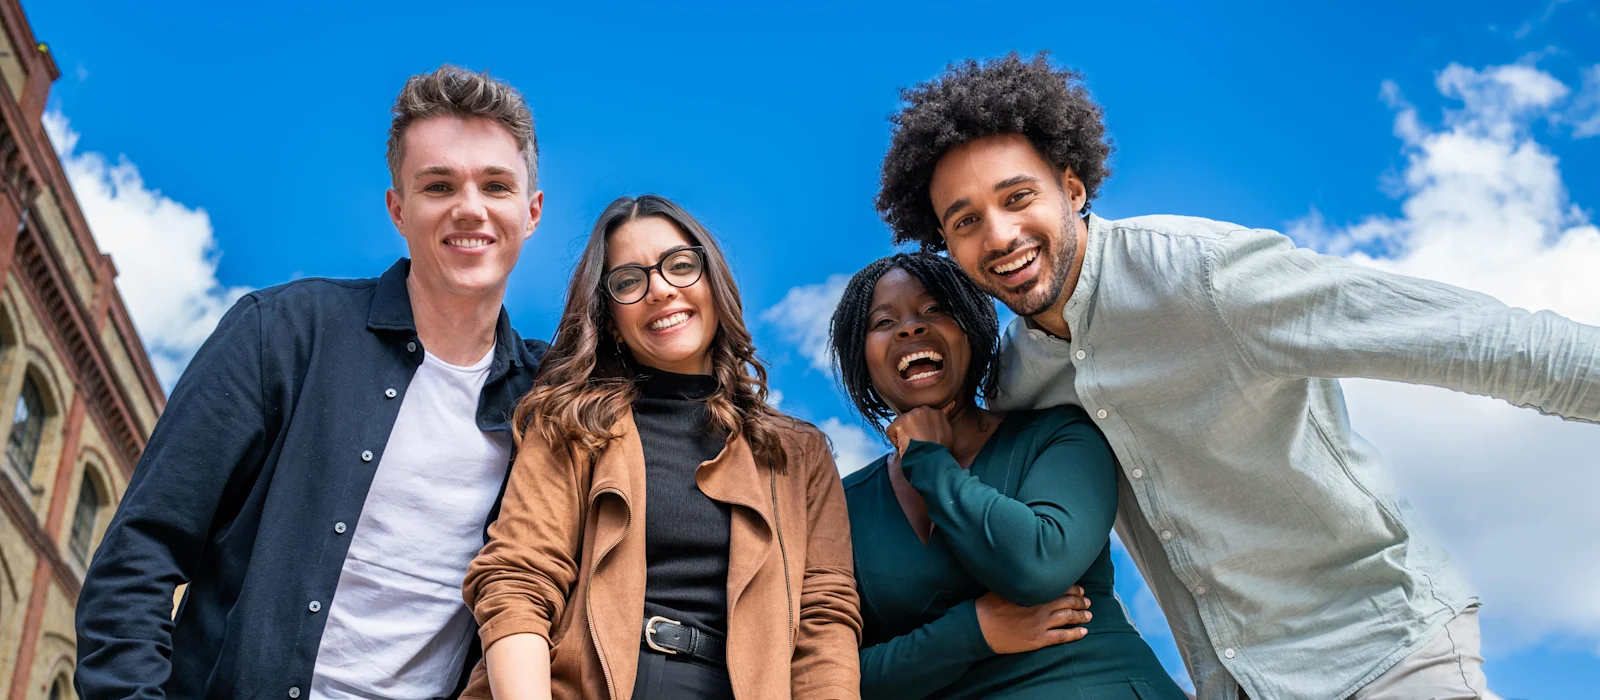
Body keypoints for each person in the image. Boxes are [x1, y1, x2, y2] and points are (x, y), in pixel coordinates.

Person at [874, 53, 1600, 700]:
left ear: (1073, 187)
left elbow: (1476, 340)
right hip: (1234, 682)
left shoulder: (1206, 277)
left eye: (1018, 197)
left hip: (1383, 653)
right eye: (964, 222)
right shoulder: (1016, 379)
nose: (998, 236)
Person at [74, 65, 548, 699]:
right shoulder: (282, 332)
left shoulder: (547, 401)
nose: (470, 208)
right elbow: (139, 556)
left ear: (532, 211)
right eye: (438, 185)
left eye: (496, 185)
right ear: (397, 209)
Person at [460, 194, 861, 700]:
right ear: (610, 321)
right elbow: (518, 579)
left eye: (680, 266)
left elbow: (824, 622)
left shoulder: (799, 454)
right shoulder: (570, 424)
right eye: (629, 281)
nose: (661, 290)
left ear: (713, 282)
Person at [827, 252, 1186, 700]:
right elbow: (831, 675)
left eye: (934, 310)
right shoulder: (838, 507)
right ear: (862, 358)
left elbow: (1038, 566)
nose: (910, 328)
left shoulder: (1060, 435)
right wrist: (975, 630)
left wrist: (926, 459)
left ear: (972, 329)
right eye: (883, 322)